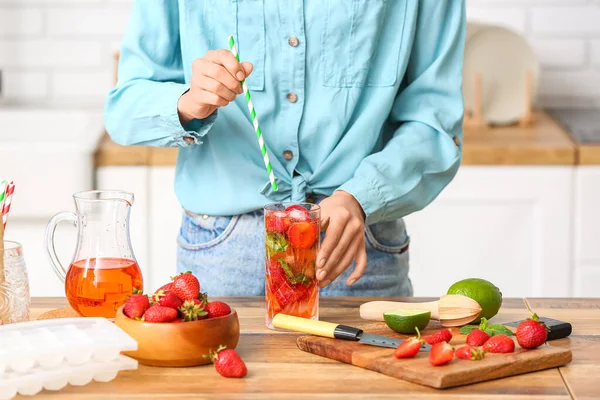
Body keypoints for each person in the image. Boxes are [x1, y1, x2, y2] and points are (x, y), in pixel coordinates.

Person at [104, 1, 466, 297]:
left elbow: (435, 123)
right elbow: (125, 108)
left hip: (356, 248)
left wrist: (361, 196)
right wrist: (189, 101)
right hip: (221, 253)